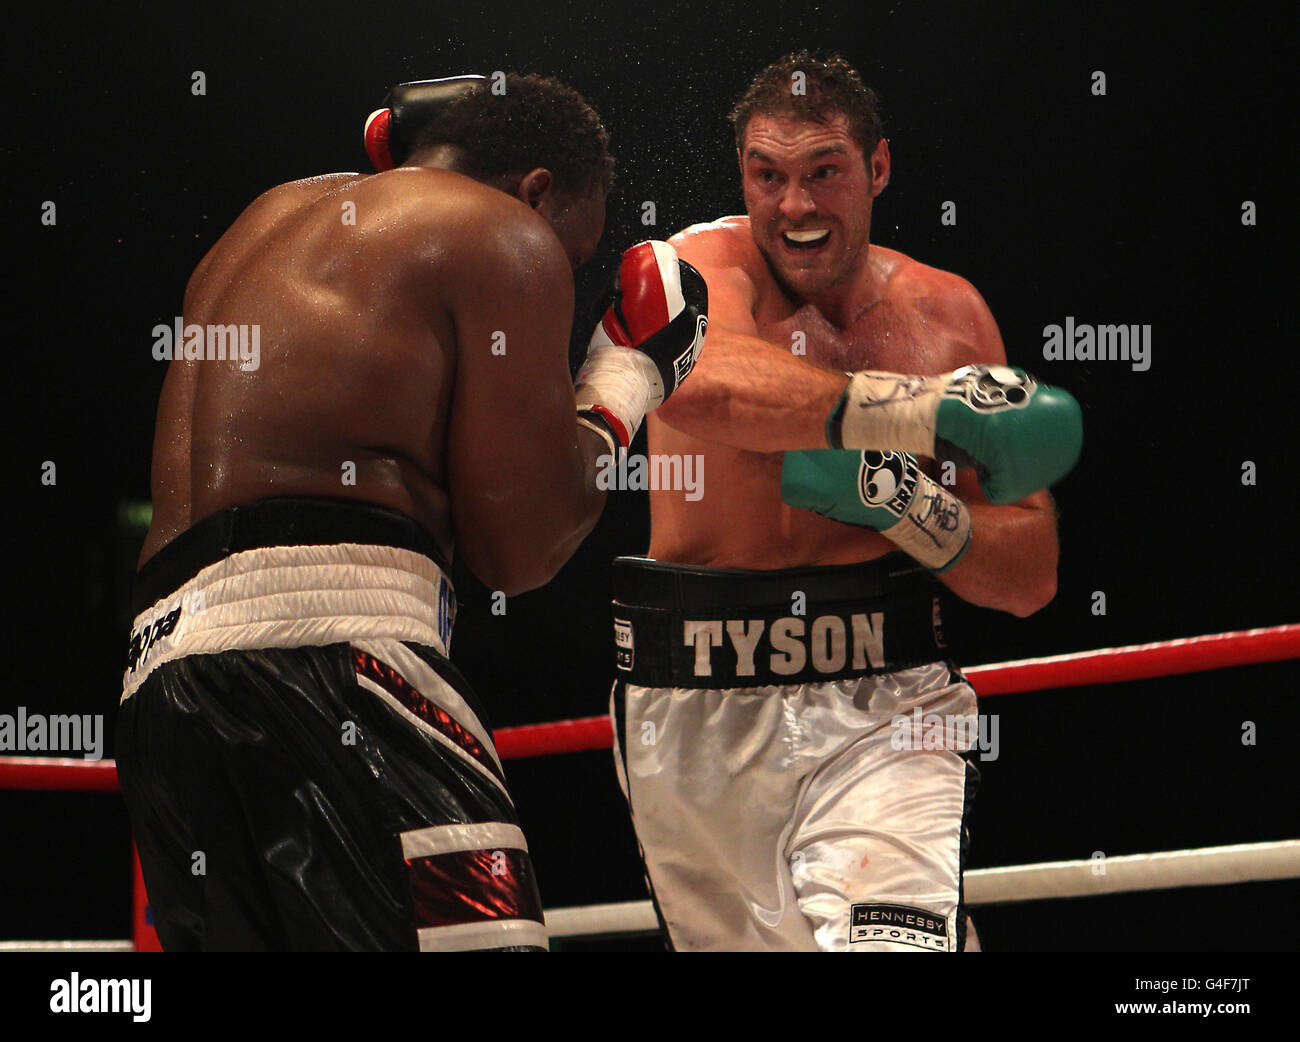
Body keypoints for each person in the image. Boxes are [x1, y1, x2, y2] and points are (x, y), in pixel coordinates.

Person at [117, 74, 708, 951]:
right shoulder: (501, 230)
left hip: (161, 684)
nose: (556, 270)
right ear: (536, 189)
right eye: (568, 252)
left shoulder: (269, 216)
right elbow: (523, 545)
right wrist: (627, 377)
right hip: (337, 656)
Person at [608, 52, 1081, 951]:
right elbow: (702, 385)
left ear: (879, 168)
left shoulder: (951, 319)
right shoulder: (698, 267)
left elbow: (1030, 577)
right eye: (767, 175)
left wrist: (899, 498)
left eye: (824, 171)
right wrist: (915, 415)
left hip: (886, 701)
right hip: (693, 707)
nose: (794, 206)